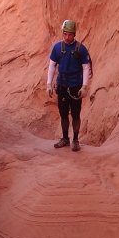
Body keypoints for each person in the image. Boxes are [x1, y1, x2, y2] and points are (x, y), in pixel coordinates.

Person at [46, 19, 92, 152]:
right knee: (63, 114)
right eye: (65, 34)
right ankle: (65, 138)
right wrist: (49, 84)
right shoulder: (57, 48)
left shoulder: (81, 49)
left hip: (75, 86)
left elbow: (86, 67)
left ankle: (75, 140)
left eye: (70, 34)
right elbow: (52, 66)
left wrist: (84, 86)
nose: (67, 37)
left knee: (76, 114)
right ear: (63, 33)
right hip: (62, 85)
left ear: (74, 34)